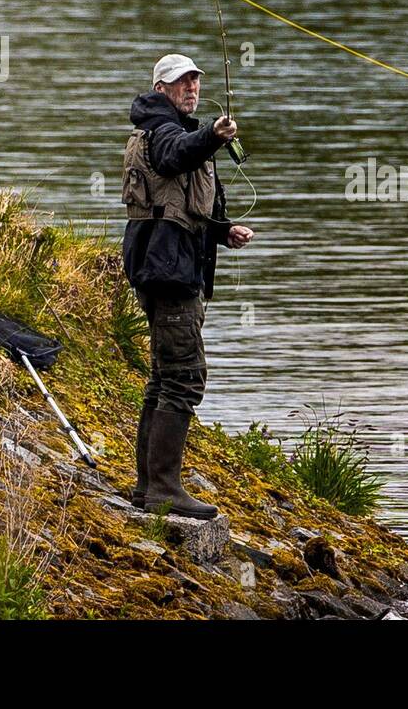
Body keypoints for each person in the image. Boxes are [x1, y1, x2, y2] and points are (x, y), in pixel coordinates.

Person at [121, 53, 255, 518]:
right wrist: (212, 136)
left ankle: (148, 486)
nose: (191, 89)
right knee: (184, 377)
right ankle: (163, 488)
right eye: (182, 83)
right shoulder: (163, 132)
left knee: (162, 378)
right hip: (168, 270)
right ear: (161, 89)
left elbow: (177, 204)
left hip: (167, 263)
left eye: (195, 81)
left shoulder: (171, 129)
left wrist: (222, 231)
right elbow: (174, 156)